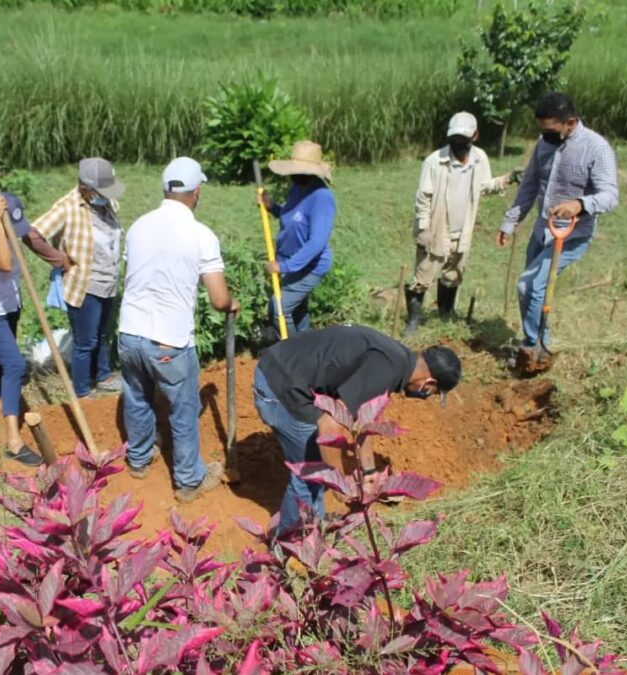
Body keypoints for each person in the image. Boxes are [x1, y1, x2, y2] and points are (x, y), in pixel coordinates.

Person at [253, 325, 461, 536]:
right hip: (278, 383)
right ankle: (290, 541)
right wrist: (339, 483)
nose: (427, 395)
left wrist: (369, 471)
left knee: (319, 470)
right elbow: (328, 424)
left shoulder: (398, 360)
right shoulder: (386, 370)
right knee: (313, 474)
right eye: (433, 392)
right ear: (428, 383)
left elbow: (362, 420)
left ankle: (313, 525)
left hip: (282, 366)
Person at [118, 157, 239, 503]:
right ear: (196, 192)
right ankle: (188, 481)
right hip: (168, 340)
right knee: (183, 408)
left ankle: (139, 459)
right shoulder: (201, 235)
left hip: (129, 332)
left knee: (136, 396)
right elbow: (218, 299)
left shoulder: (138, 226)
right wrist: (231, 303)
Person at [497, 92, 618, 349]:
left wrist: (579, 205)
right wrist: (510, 222)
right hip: (542, 231)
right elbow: (529, 185)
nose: (545, 136)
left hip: (572, 234)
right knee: (533, 291)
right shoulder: (543, 143)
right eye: (541, 130)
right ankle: (538, 341)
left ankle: (536, 345)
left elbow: (610, 196)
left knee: (528, 286)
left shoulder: (596, 148)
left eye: (551, 131)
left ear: (570, 122)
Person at [0, 192, 64, 467]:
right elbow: (5, 264)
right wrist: (0, 224)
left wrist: (57, 258)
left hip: (9, 304)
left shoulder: (9, 227)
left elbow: (29, 238)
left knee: (2, 354)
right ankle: (14, 443)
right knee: (15, 365)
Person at [405, 112, 515, 336]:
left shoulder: (479, 158)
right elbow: (423, 197)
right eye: (454, 138)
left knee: (453, 273)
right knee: (423, 274)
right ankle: (413, 320)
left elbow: (484, 186)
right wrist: (423, 228)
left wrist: (507, 179)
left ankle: (446, 313)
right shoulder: (435, 161)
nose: (458, 142)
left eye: (462, 138)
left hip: (463, 229)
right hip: (436, 228)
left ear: (474, 136)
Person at [32, 158, 125, 399]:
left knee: (102, 335)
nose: (106, 196)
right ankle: (82, 390)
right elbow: (33, 235)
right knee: (85, 342)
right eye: (101, 192)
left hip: (107, 283)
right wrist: (58, 258)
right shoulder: (67, 207)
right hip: (84, 285)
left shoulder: (106, 203)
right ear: (85, 188)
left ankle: (103, 376)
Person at [257, 140, 336, 341]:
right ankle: (308, 347)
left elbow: (316, 242)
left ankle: (294, 351)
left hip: (309, 266)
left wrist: (285, 266)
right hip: (289, 261)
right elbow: (291, 218)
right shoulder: (297, 189)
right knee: (298, 311)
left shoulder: (322, 198)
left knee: (279, 308)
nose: (292, 175)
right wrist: (272, 207)